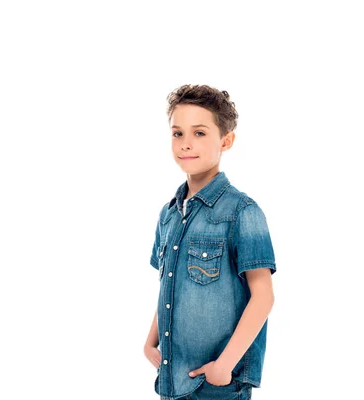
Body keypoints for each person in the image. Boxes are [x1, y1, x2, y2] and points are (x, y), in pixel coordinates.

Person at [144, 84, 276, 400]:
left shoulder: (242, 211)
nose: (186, 144)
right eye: (178, 134)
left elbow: (263, 297)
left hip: (218, 385)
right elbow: (169, 285)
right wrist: (150, 343)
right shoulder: (168, 214)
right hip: (171, 379)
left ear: (226, 141)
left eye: (200, 133)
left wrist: (224, 366)